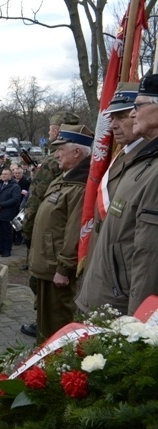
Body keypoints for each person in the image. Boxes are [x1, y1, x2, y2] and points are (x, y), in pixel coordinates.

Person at [76, 75, 158, 315]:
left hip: (120, 306)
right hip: (104, 291)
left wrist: (137, 326)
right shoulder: (133, 159)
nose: (132, 115)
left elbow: (148, 257)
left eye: (137, 107)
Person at [28, 124, 92, 343]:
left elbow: (74, 232)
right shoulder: (64, 178)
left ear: (76, 152)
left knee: (57, 330)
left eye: (60, 149)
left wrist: (64, 268)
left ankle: (54, 372)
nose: (55, 154)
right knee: (45, 328)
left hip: (57, 272)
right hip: (48, 267)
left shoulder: (80, 187)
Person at [19, 111, 80, 338]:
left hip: (49, 241)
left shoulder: (55, 162)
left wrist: (27, 229)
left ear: (58, 130)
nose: (49, 133)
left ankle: (44, 324)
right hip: (55, 238)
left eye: (50, 129)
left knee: (44, 289)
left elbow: (36, 199)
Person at [80, 83, 145, 275]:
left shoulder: (145, 160)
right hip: (104, 259)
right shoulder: (122, 155)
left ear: (138, 115)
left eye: (121, 117)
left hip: (120, 270)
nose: (113, 125)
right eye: (112, 117)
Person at [0, 168, 20, 258]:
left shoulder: (15, 186)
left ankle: (7, 250)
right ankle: (0, 248)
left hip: (8, 213)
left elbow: (15, 199)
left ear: (11, 176)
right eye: (2, 174)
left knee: (7, 233)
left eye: (6, 174)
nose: (3, 175)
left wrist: (1, 204)